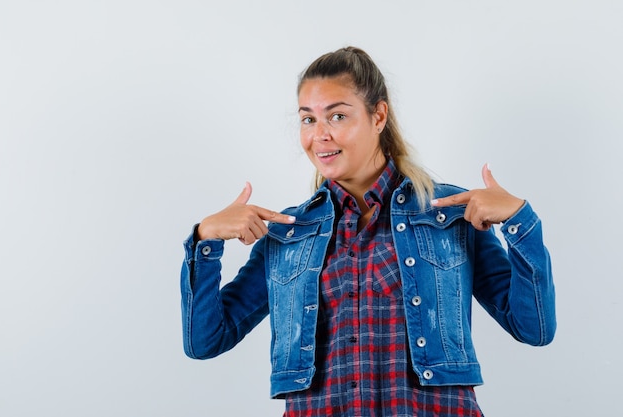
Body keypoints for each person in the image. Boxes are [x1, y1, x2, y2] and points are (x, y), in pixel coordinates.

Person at [180, 46, 556, 417]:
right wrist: (206, 240)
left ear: (378, 116)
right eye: (308, 119)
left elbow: (533, 327)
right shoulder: (289, 234)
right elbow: (206, 340)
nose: (320, 135)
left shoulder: (451, 215)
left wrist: (519, 221)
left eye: (338, 116)